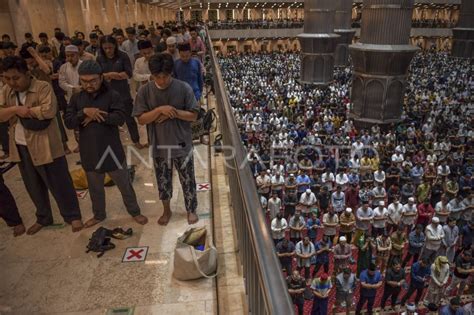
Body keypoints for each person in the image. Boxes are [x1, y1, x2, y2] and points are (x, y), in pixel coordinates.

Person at [0, 56, 83, 234]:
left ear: (27, 73)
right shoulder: (7, 90)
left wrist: (24, 111)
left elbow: (48, 111)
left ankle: (73, 216)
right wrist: (16, 110)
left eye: (16, 78)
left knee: (60, 183)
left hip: (46, 144)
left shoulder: (42, 87)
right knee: (33, 185)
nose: (11, 82)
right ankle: (43, 217)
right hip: (21, 145)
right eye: (7, 78)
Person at [64, 60, 148, 227]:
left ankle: (135, 212)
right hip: (89, 152)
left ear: (101, 78)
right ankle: (99, 215)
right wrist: (84, 112)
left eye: (93, 80)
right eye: (84, 81)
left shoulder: (112, 95)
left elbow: (120, 118)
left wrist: (97, 115)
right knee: (95, 189)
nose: (88, 84)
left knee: (125, 185)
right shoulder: (76, 98)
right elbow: (68, 122)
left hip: (112, 151)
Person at [133, 53, 199, 225]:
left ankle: (191, 210)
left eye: (165, 76)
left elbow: (193, 115)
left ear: (171, 74)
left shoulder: (183, 88)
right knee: (163, 180)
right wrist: (159, 110)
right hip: (159, 145)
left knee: (188, 178)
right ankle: (166, 210)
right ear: (152, 75)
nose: (161, 81)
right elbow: (141, 119)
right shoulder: (145, 91)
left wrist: (174, 112)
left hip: (182, 142)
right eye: (157, 77)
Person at [97, 35, 145, 149]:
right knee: (109, 119)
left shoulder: (122, 56)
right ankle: (113, 143)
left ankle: (136, 140)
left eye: (110, 47)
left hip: (122, 92)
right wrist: (111, 75)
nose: (108, 50)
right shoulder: (100, 58)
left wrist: (114, 75)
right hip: (106, 93)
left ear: (115, 46)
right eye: (105, 48)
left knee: (129, 117)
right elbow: (98, 75)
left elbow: (128, 73)